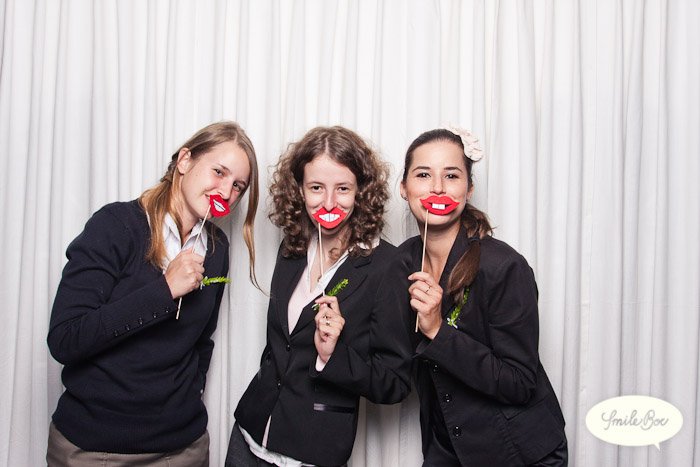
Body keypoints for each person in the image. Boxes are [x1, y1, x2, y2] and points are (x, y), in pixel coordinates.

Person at [46, 121, 259, 466]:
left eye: (238, 186)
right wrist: (164, 290)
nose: (226, 191)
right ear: (185, 160)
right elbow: (65, 339)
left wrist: (188, 398)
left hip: (183, 447)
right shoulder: (116, 225)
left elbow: (201, 341)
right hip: (96, 448)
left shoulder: (216, 248)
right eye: (219, 172)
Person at [226, 126, 412, 467]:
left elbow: (395, 383)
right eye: (316, 188)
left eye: (343, 188)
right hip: (249, 435)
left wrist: (332, 356)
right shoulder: (292, 247)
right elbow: (279, 346)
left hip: (313, 451)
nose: (328, 203)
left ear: (361, 191)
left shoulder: (387, 265)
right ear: (299, 189)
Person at [399, 127, 567, 466]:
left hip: (518, 452)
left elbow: (519, 383)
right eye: (423, 175)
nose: (437, 187)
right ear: (404, 188)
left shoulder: (503, 266)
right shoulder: (400, 262)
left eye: (451, 175)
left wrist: (438, 331)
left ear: (469, 189)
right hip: (447, 449)